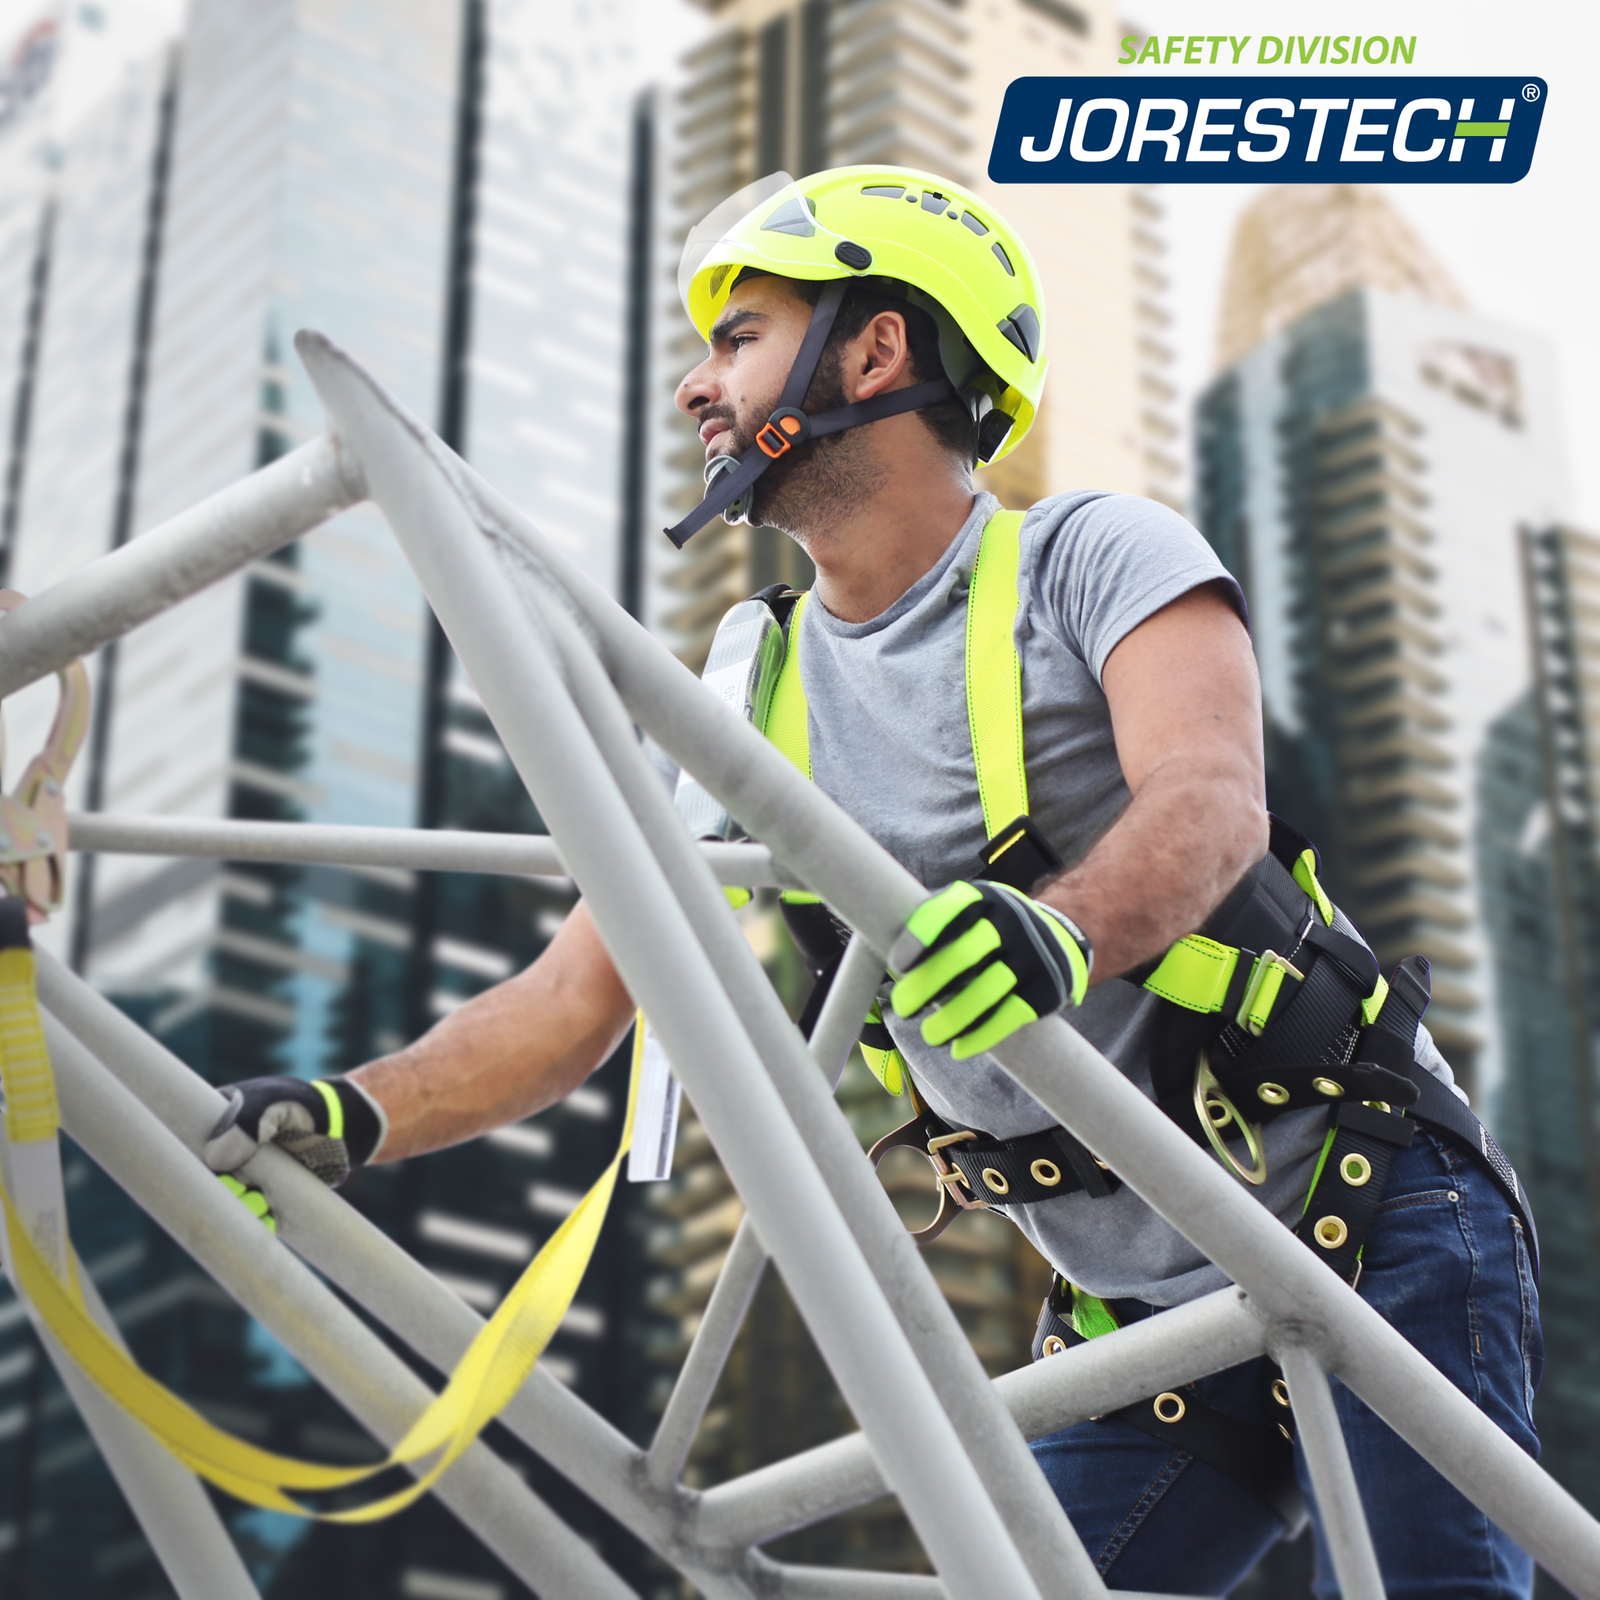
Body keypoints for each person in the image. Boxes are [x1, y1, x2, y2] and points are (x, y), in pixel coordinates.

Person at [205, 166, 1541, 1597]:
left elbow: (1211, 803)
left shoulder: (1093, 555)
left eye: (739, 337)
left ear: (876, 348)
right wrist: (356, 1114)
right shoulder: (747, 684)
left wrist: (1057, 930)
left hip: (1372, 1207)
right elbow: (581, 992)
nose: (693, 388)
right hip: (1138, 1313)